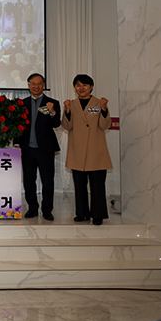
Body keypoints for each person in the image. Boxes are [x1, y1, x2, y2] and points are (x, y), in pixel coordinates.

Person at [61, 74, 112, 226]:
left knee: (97, 186)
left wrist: (104, 109)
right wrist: (67, 111)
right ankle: (82, 213)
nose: (81, 88)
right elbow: (67, 126)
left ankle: (98, 215)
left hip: (96, 151)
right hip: (77, 151)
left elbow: (105, 125)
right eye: (78, 85)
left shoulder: (99, 103)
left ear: (91, 87)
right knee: (79, 186)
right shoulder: (71, 104)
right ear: (74, 88)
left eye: (85, 85)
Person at [14, 73, 61, 221]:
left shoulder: (52, 103)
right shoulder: (22, 104)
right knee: (29, 181)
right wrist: (16, 144)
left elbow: (56, 124)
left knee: (48, 181)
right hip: (27, 149)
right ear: (28, 85)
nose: (36, 86)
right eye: (33, 83)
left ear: (43, 85)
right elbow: (17, 126)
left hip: (45, 149)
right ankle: (32, 208)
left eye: (39, 83)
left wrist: (52, 112)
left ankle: (47, 210)